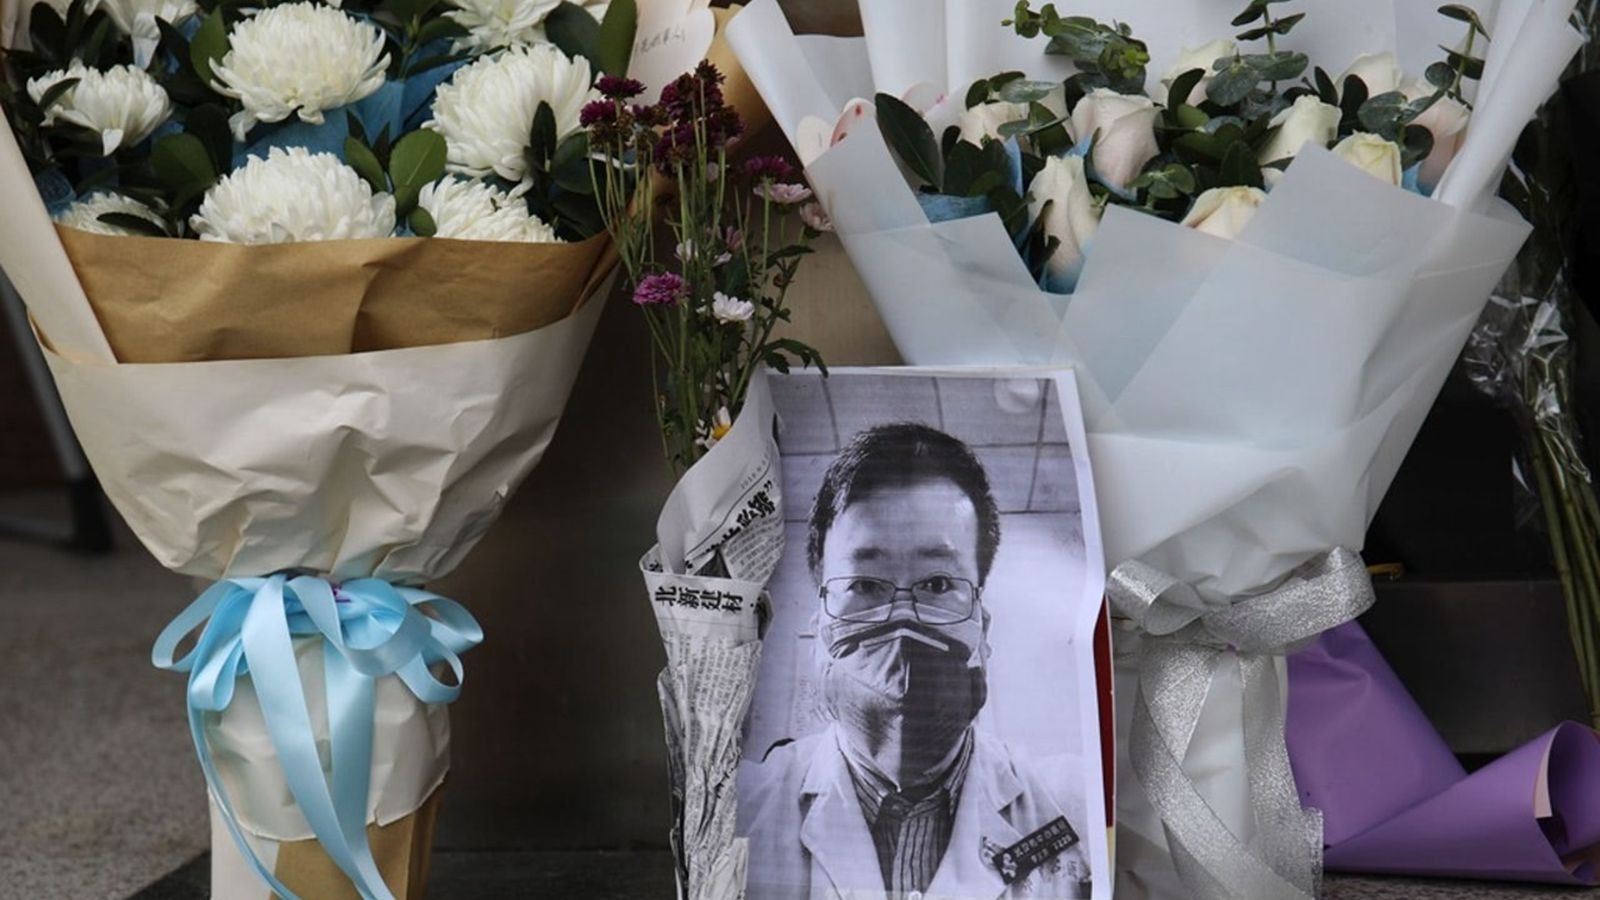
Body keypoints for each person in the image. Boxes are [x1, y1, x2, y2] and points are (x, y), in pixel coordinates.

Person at [740, 423, 1093, 900]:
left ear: (983, 628)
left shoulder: (1076, 807)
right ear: (819, 630)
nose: (902, 623)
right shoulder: (743, 811)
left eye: (937, 584)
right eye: (865, 585)